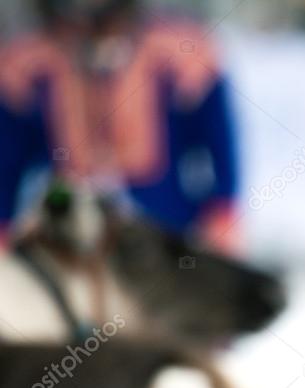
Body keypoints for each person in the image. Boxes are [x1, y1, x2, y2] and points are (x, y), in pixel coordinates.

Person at [0, 0, 240, 252]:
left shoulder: (181, 54)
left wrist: (222, 207)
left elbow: (219, 140)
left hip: (166, 229)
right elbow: (8, 159)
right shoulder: (28, 65)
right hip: (70, 234)